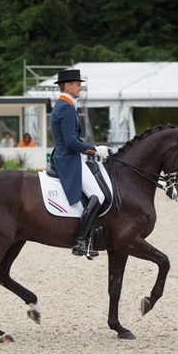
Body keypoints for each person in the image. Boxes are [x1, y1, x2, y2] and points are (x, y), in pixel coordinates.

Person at [50, 69, 109, 258]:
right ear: (67, 86)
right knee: (98, 195)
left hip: (67, 156)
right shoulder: (66, 108)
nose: (80, 87)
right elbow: (71, 142)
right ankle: (81, 241)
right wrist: (95, 149)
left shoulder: (65, 105)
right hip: (69, 159)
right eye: (77, 84)